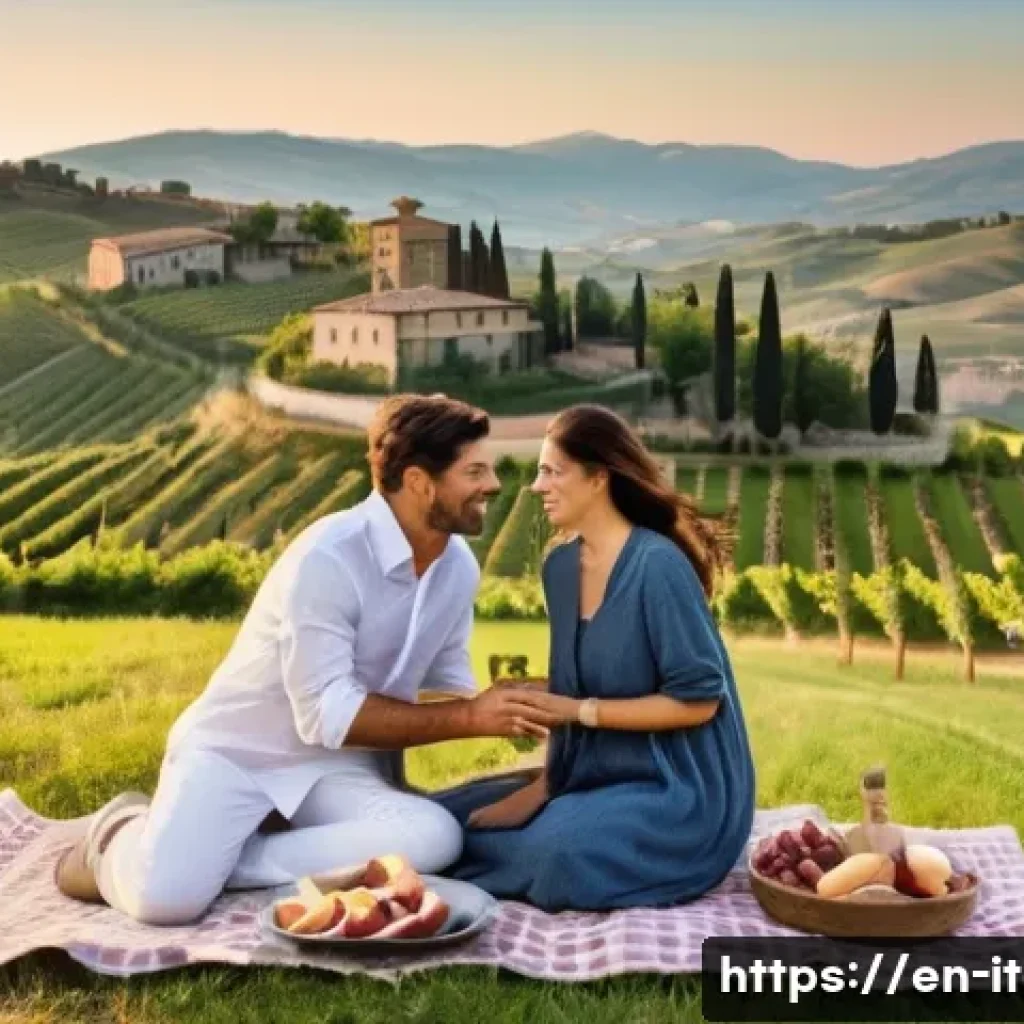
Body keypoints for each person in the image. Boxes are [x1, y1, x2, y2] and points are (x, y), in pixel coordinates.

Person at [55, 394, 557, 925]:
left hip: (338, 767)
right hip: (238, 753)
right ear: (418, 482)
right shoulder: (328, 557)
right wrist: (471, 716)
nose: (494, 485)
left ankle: (229, 860)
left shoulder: (456, 568)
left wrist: (513, 706)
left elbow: (447, 689)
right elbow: (324, 714)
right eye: (474, 470)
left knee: (434, 836)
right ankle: (119, 834)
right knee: (166, 902)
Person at [432, 404, 756, 912]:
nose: (537, 486)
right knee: (444, 819)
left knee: (557, 852)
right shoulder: (560, 569)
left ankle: (469, 867)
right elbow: (569, 689)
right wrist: (544, 784)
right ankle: (447, 855)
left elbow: (699, 702)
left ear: (598, 478)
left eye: (551, 471)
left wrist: (578, 712)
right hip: (592, 772)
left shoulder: (658, 566)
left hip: (679, 793)